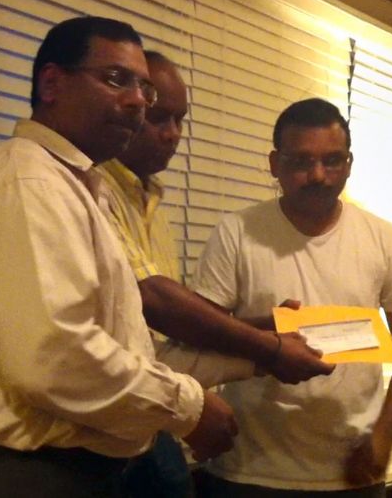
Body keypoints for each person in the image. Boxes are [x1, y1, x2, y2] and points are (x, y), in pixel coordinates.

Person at [0, 17, 239, 497]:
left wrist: (256, 358)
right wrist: (187, 408)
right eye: (116, 79)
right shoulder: (26, 182)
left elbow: (120, 343)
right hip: (26, 475)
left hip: (69, 469)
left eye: (144, 88)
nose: (137, 100)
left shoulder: (76, 187)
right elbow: (55, 358)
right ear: (52, 83)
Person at [96, 52, 334, 497]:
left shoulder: (151, 205)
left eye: (180, 120)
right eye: (159, 117)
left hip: (153, 425)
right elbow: (155, 302)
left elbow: (160, 336)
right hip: (107, 429)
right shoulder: (92, 190)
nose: (172, 134)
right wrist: (268, 348)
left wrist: (260, 328)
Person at [190, 98, 392, 496]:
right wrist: (264, 335)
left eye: (332, 161)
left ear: (349, 164)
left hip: (353, 471)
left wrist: (383, 437)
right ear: (274, 164)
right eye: (301, 161)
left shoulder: (382, 237)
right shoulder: (236, 232)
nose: (318, 175)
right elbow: (201, 339)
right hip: (249, 471)